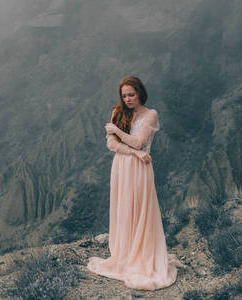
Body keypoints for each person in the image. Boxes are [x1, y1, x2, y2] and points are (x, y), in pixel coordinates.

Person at [86, 76, 180, 290]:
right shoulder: (118, 112)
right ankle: (126, 253)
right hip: (122, 166)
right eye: (124, 95)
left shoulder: (151, 114)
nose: (127, 99)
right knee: (124, 209)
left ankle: (142, 253)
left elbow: (140, 142)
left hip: (140, 170)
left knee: (139, 209)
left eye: (131, 94)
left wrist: (117, 131)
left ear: (140, 93)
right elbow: (111, 145)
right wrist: (134, 153)